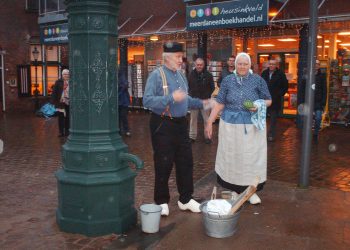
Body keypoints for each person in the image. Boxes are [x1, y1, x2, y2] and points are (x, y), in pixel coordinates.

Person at [143, 42, 209, 216]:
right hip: (162, 123)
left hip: (181, 124)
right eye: (178, 57)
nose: (181, 60)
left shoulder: (181, 76)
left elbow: (186, 100)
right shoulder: (156, 76)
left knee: (186, 162)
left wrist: (203, 103)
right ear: (167, 58)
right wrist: (170, 97)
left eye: (181, 57)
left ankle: (185, 199)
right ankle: (161, 200)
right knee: (163, 163)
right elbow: (147, 101)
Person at [206, 52, 272, 204]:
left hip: (252, 126)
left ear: (250, 65)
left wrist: (259, 105)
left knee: (250, 158)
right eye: (239, 64)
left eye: (245, 64)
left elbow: (269, 100)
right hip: (230, 125)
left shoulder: (258, 80)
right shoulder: (228, 80)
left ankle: (250, 190)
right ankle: (234, 190)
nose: (242, 66)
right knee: (232, 157)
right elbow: (220, 102)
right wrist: (209, 121)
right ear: (235, 65)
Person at [188, 57, 215, 144]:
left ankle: (208, 137)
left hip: (205, 101)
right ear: (195, 65)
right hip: (194, 100)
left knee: (207, 120)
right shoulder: (191, 75)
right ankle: (192, 137)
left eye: (201, 65)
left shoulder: (208, 75)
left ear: (203, 65)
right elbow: (188, 86)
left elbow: (212, 88)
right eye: (197, 64)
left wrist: (207, 96)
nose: (199, 66)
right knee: (193, 120)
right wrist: (191, 96)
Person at [300, 60, 327, 143]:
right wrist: (302, 101)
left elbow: (324, 90)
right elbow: (302, 89)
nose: (316, 65)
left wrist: (323, 103)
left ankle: (315, 134)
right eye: (315, 64)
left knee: (318, 118)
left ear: (319, 66)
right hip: (308, 101)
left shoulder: (322, 76)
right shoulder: (307, 75)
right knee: (307, 119)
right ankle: (307, 135)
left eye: (318, 64)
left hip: (318, 102)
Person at [261, 58, 288, 142]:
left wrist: (279, 94)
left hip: (275, 101)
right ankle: (261, 135)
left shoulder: (280, 74)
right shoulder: (264, 73)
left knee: (273, 120)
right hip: (265, 100)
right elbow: (260, 84)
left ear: (276, 65)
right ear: (268, 65)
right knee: (262, 119)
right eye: (270, 64)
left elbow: (285, 86)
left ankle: (271, 135)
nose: (271, 65)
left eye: (273, 64)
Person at [51, 69, 70, 137]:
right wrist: (53, 102)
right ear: (62, 75)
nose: (66, 75)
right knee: (61, 117)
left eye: (67, 74)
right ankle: (61, 132)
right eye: (64, 74)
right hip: (61, 102)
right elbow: (54, 92)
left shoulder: (71, 82)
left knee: (68, 117)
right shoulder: (58, 82)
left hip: (68, 102)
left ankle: (67, 131)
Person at [118, 69, 131, 136]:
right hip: (122, 101)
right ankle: (123, 130)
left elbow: (124, 85)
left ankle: (125, 130)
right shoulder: (121, 77)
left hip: (122, 101)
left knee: (122, 116)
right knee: (121, 116)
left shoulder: (121, 78)